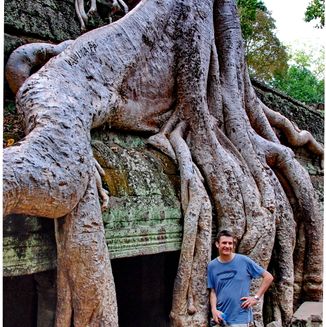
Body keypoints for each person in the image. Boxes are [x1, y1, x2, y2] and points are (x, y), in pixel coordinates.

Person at [207, 230, 274, 327]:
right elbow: (213, 291)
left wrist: (256, 298)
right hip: (220, 316)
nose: (227, 246)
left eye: (230, 243)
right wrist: (213, 309)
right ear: (217, 244)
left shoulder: (244, 261)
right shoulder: (212, 266)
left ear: (233, 245)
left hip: (240, 316)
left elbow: (268, 277)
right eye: (224, 243)